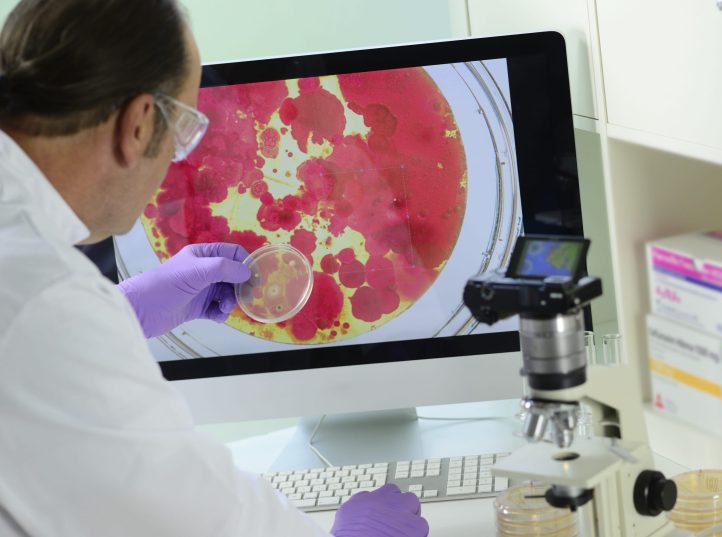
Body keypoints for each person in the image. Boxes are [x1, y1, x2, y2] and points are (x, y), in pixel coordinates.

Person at [0, 1, 429, 536]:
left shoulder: (30, 275)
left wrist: (121, 312)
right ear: (138, 125)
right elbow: (181, 513)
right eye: (182, 128)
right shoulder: (44, 298)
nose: (175, 160)